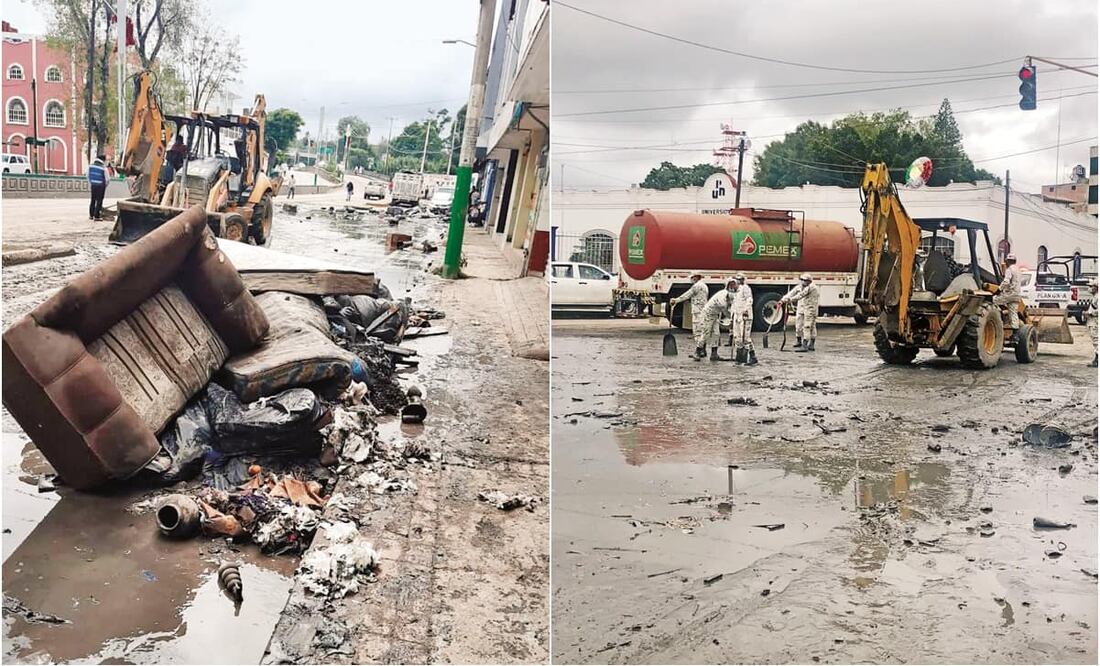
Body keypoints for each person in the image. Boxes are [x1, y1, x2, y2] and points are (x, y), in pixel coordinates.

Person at [671, 274, 710, 359]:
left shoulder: (696, 286)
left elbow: (687, 295)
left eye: (692, 278)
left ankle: (698, 352)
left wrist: (676, 300)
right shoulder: (704, 286)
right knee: (702, 331)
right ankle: (703, 351)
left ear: (695, 278)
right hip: (703, 311)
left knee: (697, 332)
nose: (691, 280)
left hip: (697, 312)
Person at [698, 279, 739, 362]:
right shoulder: (722, 296)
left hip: (715, 315)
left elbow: (731, 308)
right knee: (706, 334)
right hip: (707, 314)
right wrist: (732, 319)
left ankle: (714, 354)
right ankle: (697, 351)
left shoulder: (729, 296)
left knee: (716, 334)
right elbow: (725, 311)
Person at [781, 273, 820, 352]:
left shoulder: (811, 287)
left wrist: (790, 300)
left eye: (804, 280)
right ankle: (799, 341)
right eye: (801, 280)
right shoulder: (800, 286)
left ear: (809, 281)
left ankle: (807, 344)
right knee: (798, 325)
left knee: (808, 326)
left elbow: (800, 295)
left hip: (810, 309)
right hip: (802, 308)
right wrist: (783, 299)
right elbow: (792, 293)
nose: (802, 281)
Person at [732, 273, 757, 365]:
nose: (738, 281)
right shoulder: (736, 290)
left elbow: (749, 300)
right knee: (737, 337)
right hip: (737, 315)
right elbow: (734, 304)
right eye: (737, 279)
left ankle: (752, 356)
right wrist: (732, 315)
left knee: (746, 337)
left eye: (740, 279)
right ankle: (739, 358)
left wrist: (746, 310)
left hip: (745, 316)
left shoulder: (746, 288)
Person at [994, 254, 1022, 329]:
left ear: (1008, 261)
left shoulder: (1009, 270)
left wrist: (999, 289)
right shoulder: (1018, 270)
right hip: (1017, 294)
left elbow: (1006, 281)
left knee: (993, 301)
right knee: (1013, 313)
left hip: (1009, 294)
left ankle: (999, 319)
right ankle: (1015, 332)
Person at [87, 155, 108, 221]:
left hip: (93, 185)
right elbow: (107, 179)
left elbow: (87, 176)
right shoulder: (103, 168)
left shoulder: (90, 166)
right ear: (103, 160)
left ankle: (91, 215)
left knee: (93, 200)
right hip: (101, 186)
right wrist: (105, 185)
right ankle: (96, 216)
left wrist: (91, 183)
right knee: (99, 201)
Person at [1088, 280, 1097, 368]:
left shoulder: (1098, 297)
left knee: (1096, 340)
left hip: (1096, 322)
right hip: (1093, 321)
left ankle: (1097, 360)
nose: (1090, 288)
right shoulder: (1095, 297)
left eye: (1091, 286)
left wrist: (1090, 313)